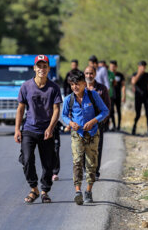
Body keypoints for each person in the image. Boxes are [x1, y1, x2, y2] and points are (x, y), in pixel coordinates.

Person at [14, 55, 62, 204]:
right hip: (29, 129)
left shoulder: (54, 88)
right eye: (39, 66)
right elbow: (20, 109)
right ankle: (33, 188)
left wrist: (50, 127)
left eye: (44, 66)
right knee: (27, 160)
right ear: (34, 68)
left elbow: (56, 110)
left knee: (48, 164)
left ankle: (44, 191)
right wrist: (17, 129)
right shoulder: (26, 86)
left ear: (48, 68)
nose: (42, 69)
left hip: (46, 130)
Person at [62, 69, 109, 205]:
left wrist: (94, 121)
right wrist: (70, 123)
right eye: (72, 84)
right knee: (77, 162)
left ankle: (88, 190)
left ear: (84, 83)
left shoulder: (93, 95)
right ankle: (78, 191)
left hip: (93, 134)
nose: (74, 87)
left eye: (77, 84)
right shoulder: (68, 99)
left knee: (91, 164)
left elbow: (105, 111)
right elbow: (63, 115)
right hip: (77, 135)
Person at [84, 66, 111, 181]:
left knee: (97, 148)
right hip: (84, 125)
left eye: (91, 73)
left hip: (98, 123)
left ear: (95, 74)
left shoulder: (102, 88)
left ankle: (96, 171)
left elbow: (107, 106)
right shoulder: (81, 87)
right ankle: (87, 170)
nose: (89, 76)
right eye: (87, 73)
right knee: (84, 147)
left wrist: (103, 121)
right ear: (84, 74)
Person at [131, 61, 148, 136]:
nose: (143, 68)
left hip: (146, 96)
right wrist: (139, 73)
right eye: (141, 66)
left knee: (147, 114)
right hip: (138, 97)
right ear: (138, 67)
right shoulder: (134, 74)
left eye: (144, 66)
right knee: (138, 114)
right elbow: (133, 82)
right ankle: (134, 127)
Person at [109, 60, 125, 131]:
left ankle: (118, 126)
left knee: (118, 110)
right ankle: (114, 125)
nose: (112, 68)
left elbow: (123, 85)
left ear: (116, 67)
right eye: (111, 66)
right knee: (111, 111)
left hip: (118, 95)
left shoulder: (120, 75)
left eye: (114, 66)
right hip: (111, 96)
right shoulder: (108, 74)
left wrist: (124, 95)